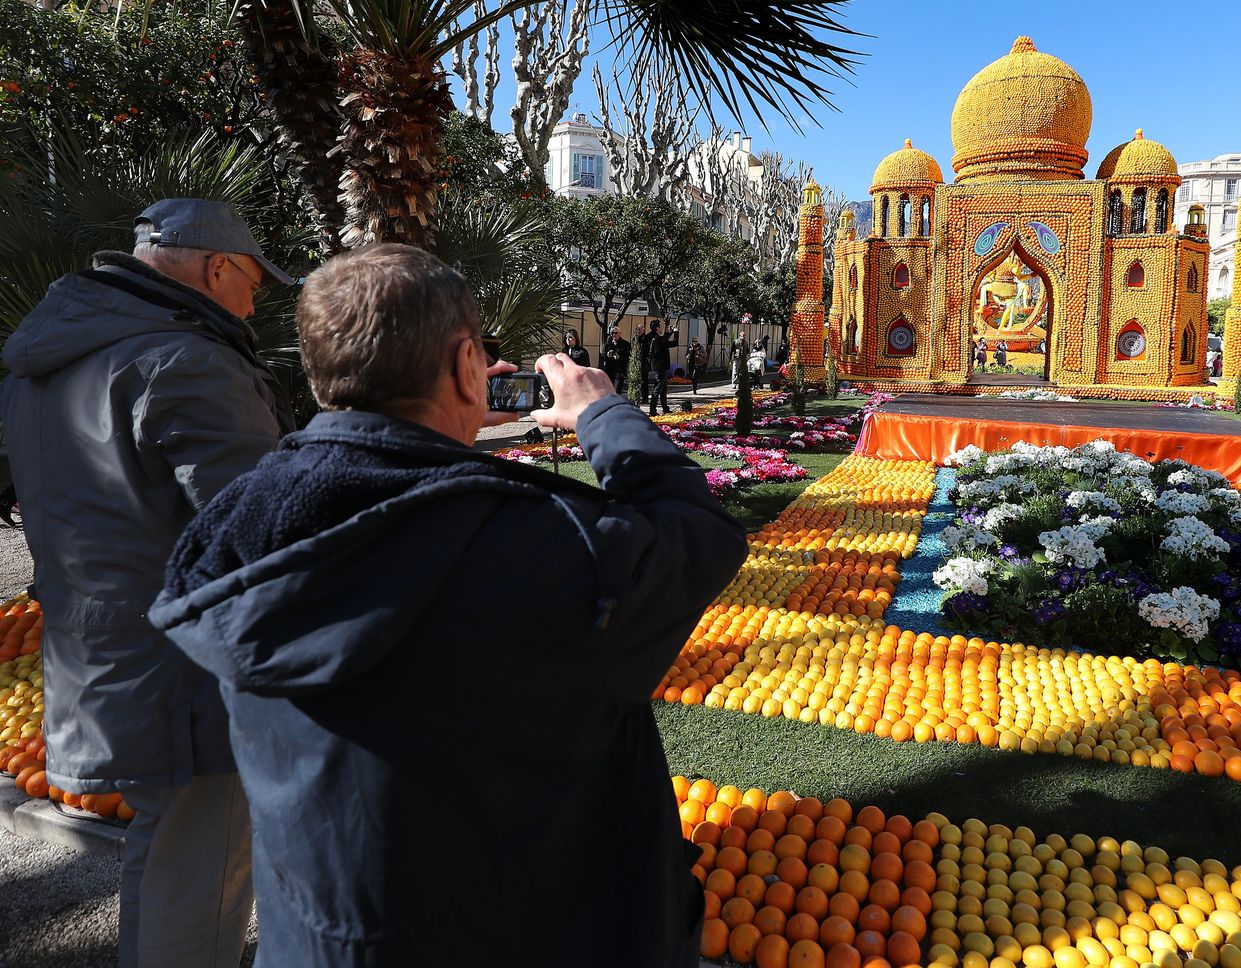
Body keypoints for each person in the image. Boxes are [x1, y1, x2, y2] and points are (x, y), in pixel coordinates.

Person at [148, 243, 748, 967]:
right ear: (469, 364)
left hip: (328, 938)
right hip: (537, 932)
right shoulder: (551, 545)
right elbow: (698, 535)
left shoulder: (238, 521)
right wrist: (602, 413)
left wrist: (448, 434)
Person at [0, 198, 295, 966]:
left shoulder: (46, 360)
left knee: (166, 856)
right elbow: (255, 524)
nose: (254, 300)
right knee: (201, 877)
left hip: (93, 646)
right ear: (217, 267)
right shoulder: (184, 359)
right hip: (185, 667)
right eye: (254, 281)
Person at [642, 319, 679, 416]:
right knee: (658, 388)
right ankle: (652, 411)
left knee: (663, 389)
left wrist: (669, 332)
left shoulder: (656, 338)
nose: (662, 328)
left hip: (660, 367)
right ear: (657, 328)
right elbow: (674, 343)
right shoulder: (658, 339)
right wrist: (676, 332)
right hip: (660, 367)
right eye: (660, 326)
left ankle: (665, 408)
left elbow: (664, 339)